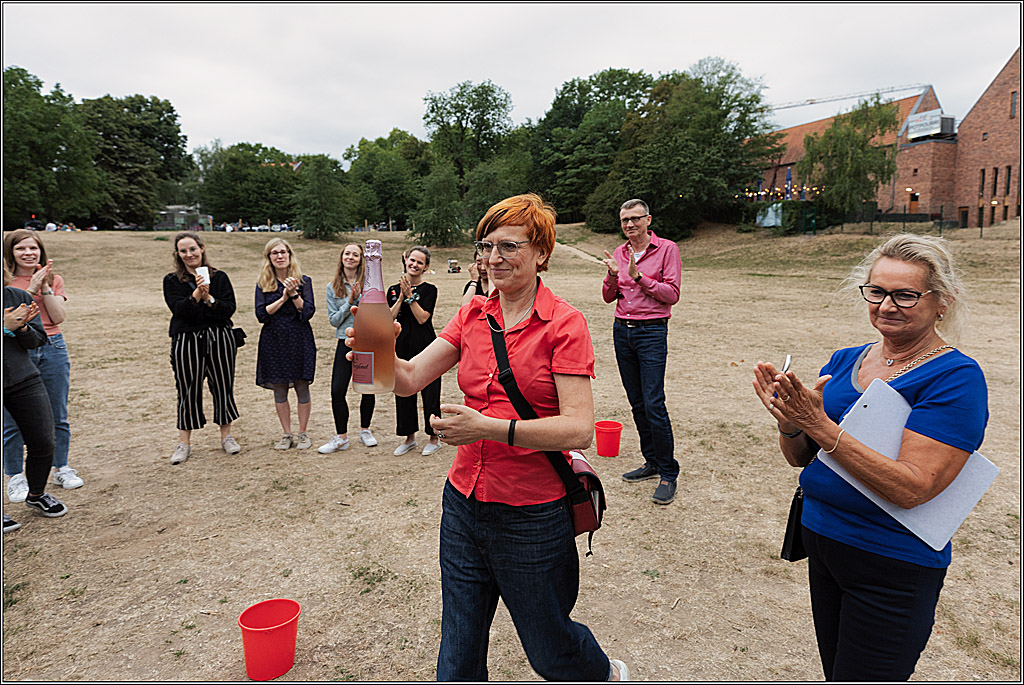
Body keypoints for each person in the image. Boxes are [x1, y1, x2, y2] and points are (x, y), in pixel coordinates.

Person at [348, 194, 628, 681]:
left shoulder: (564, 323)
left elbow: (579, 427)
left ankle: (604, 675)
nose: (493, 258)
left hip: (532, 515)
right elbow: (410, 378)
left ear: (542, 252)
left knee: (550, 651)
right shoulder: (473, 314)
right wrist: (378, 354)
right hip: (462, 505)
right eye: (486, 246)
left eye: (508, 245)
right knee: (456, 658)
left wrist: (490, 428)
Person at [752, 233, 988, 681]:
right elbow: (801, 458)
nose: (886, 305)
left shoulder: (956, 377)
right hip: (823, 542)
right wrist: (789, 420)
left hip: (890, 564)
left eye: (905, 295)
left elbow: (913, 486)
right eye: (877, 292)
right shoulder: (846, 359)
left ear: (942, 301)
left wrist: (819, 424)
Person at [601, 198, 682, 505]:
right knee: (636, 403)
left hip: (651, 332)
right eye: (625, 220)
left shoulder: (667, 249)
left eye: (635, 218)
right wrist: (612, 275)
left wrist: (639, 277)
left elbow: (671, 294)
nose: (630, 224)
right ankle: (651, 461)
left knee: (653, 403)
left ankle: (668, 472)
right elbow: (609, 296)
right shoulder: (620, 253)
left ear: (649, 220)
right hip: (623, 330)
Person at [3, 230, 82, 500]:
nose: (28, 253)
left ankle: (61, 467)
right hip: (15, 350)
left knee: (57, 414)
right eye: (21, 249)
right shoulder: (5, 282)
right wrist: (30, 290)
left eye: (34, 248)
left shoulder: (54, 279)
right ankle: (15, 476)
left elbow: (58, 316)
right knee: (12, 420)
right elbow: (12, 313)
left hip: (52, 346)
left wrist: (46, 286)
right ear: (9, 253)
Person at [163, 231, 241, 465]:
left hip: (220, 338)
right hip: (187, 340)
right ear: (178, 254)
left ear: (202, 248)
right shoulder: (171, 281)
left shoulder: (220, 277)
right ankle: (184, 442)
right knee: (187, 389)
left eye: (193, 249)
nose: (189, 254)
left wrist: (209, 299)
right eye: (183, 251)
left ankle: (226, 436)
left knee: (223, 385)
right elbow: (181, 311)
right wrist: (197, 293)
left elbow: (228, 308)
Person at [4, 263, 68, 521]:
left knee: (43, 440)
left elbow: (37, 339)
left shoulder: (16, 296)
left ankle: (37, 494)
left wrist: (20, 328)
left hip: (23, 377)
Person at [255, 238, 316, 450]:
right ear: (269, 258)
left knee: (302, 386)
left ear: (290, 255)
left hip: (299, 338)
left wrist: (294, 294)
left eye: (283, 252)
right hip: (274, 340)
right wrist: (282, 298)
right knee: (279, 389)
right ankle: (286, 434)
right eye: (274, 253)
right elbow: (261, 314)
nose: (279, 256)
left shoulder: (304, 281)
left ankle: (303, 433)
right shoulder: (264, 284)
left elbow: (308, 312)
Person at [319, 243, 378, 453]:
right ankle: (341, 437)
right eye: (347, 253)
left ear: (361, 259)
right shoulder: (332, 287)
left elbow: (376, 315)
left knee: (367, 389)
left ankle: (365, 430)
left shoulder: (371, 284)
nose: (350, 257)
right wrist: (350, 301)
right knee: (337, 390)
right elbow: (334, 321)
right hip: (344, 343)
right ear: (341, 257)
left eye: (355, 254)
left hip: (366, 343)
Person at [387, 246, 441, 456]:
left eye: (420, 262)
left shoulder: (430, 289)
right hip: (401, 349)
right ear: (406, 260)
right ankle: (409, 437)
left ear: (426, 267)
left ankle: (434, 437)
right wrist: (400, 297)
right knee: (403, 392)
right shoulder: (393, 289)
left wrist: (410, 297)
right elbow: (387, 319)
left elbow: (422, 318)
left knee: (430, 394)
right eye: (412, 260)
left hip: (427, 348)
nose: (414, 265)